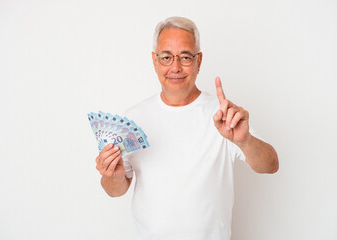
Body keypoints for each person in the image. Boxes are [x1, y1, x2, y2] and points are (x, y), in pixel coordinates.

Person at [95, 16, 279, 240]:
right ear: (155, 61)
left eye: (185, 57)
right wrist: (112, 176)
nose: (175, 67)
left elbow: (270, 165)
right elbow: (116, 190)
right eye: (166, 57)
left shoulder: (223, 115)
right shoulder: (134, 118)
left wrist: (244, 141)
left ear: (198, 61)